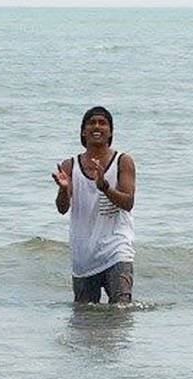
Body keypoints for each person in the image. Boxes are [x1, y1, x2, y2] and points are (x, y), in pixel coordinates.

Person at [52, 106, 137, 304]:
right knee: (84, 321)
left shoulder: (123, 161)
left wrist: (105, 187)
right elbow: (62, 208)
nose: (96, 126)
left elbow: (128, 202)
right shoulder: (70, 165)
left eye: (102, 123)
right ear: (83, 132)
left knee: (121, 312)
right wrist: (64, 189)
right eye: (91, 123)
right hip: (84, 256)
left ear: (110, 132)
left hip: (117, 250)